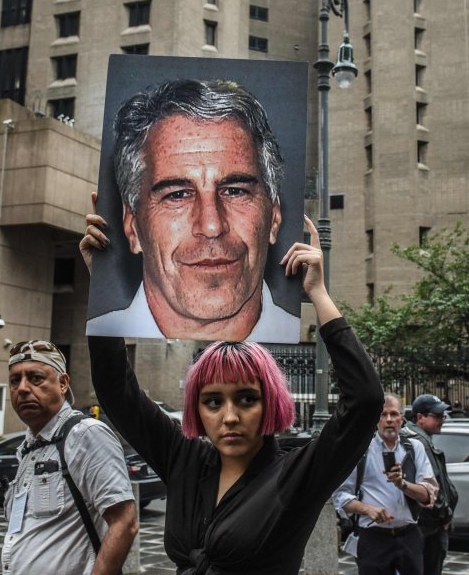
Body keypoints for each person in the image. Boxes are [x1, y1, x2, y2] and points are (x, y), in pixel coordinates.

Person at [82, 208, 383, 573]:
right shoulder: (183, 459)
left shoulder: (297, 474)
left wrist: (317, 293)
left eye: (246, 398)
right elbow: (115, 389)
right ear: (196, 409)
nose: (229, 416)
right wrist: (104, 283)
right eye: (212, 401)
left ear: (268, 402)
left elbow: (365, 401)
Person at [85, 79, 299, 343]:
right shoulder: (102, 337)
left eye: (235, 191)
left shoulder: (315, 342)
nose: (211, 226)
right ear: (132, 226)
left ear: (274, 217)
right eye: (177, 195)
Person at [2, 339, 138, 575]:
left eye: (35, 378)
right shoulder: (28, 449)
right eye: (15, 380)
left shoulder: (85, 434)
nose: (22, 388)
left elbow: (125, 522)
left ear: (63, 383)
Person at [333, 394, 437, 575]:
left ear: (402, 419)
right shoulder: (361, 449)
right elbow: (340, 496)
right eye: (383, 414)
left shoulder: (414, 448)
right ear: (376, 419)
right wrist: (368, 510)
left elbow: (428, 494)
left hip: (409, 536)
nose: (389, 420)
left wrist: (402, 484)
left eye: (394, 414)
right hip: (373, 538)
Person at [402, 394, 459, 575]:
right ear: (420, 418)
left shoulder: (418, 438)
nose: (443, 420)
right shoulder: (420, 442)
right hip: (429, 527)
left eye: (443, 416)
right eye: (437, 416)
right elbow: (433, 488)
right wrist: (445, 516)